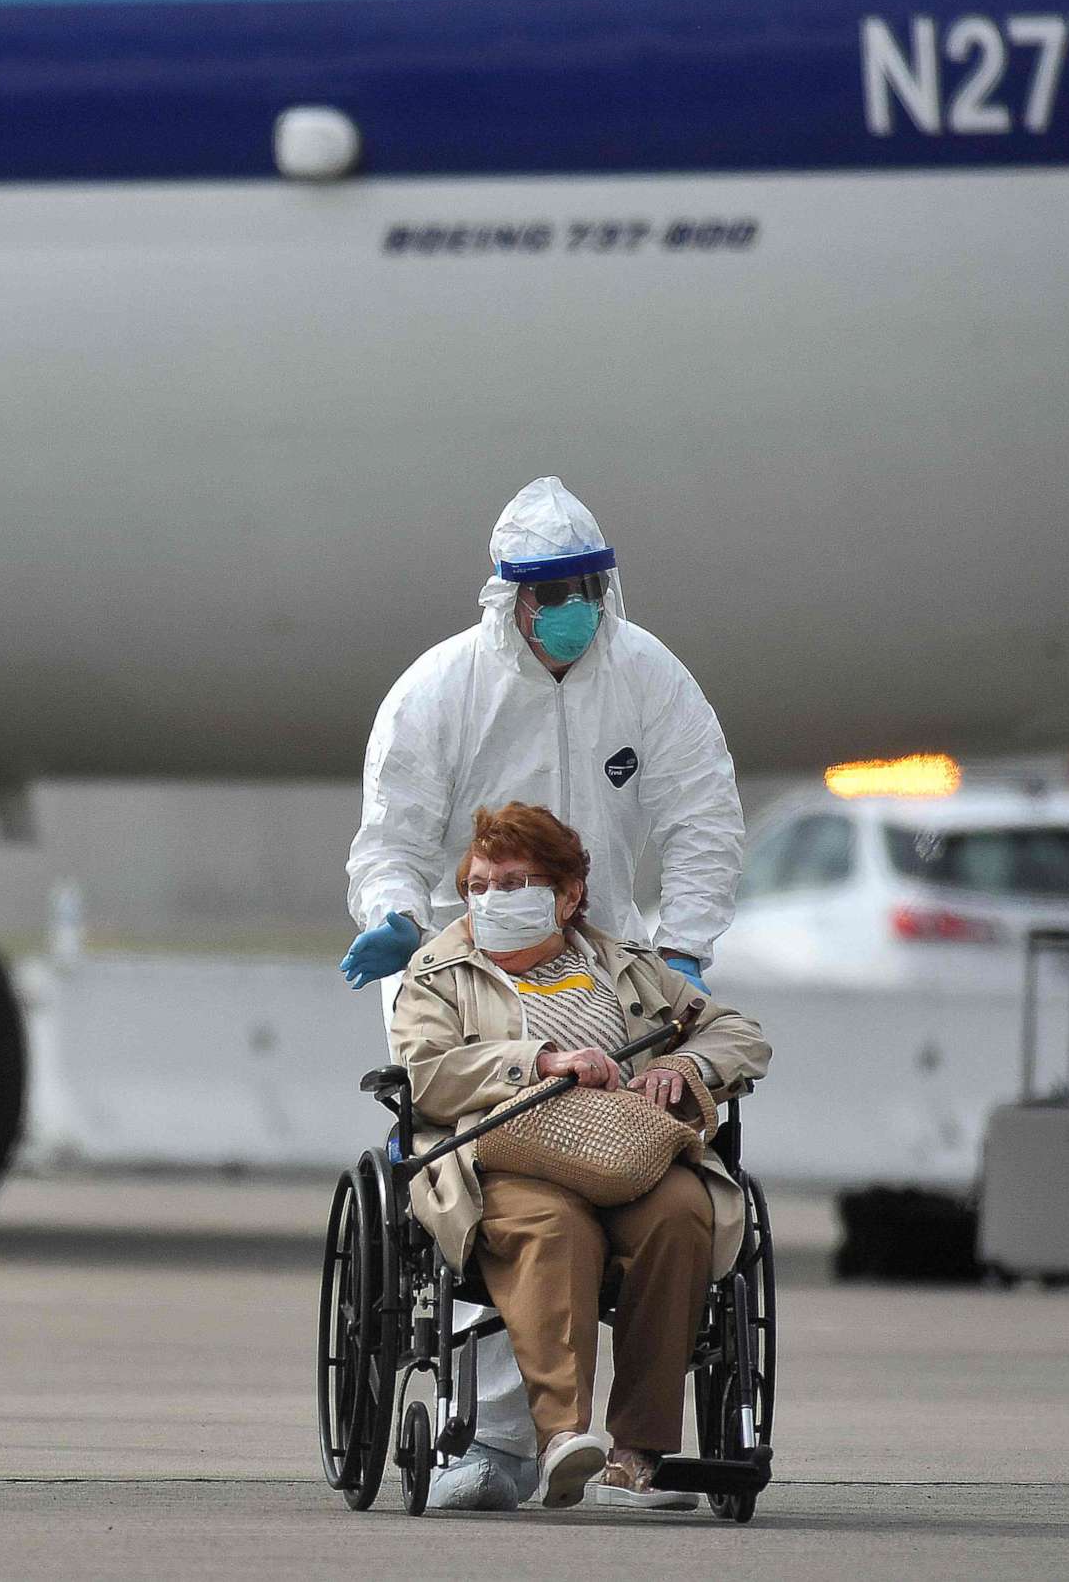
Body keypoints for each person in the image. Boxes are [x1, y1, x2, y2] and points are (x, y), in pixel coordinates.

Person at [340, 475, 745, 1510]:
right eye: (543, 590)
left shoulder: (647, 677)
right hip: (468, 967)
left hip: (606, 968)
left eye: (580, 587)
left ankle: (632, 1448)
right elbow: (393, 830)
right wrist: (395, 916)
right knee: (509, 1195)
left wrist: (686, 951)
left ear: (604, 587)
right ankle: (500, 1441)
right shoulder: (442, 690)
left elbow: (702, 813)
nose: (565, 606)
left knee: (661, 1201)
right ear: (506, 599)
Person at [388, 803, 769, 1511]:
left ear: (567, 896)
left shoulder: (626, 968)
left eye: (515, 882)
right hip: (509, 1157)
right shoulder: (438, 973)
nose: (492, 898)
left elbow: (739, 1036)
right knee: (556, 1229)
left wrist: (683, 1069)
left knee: (684, 1213)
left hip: (629, 1156)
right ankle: (564, 1435)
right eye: (479, 885)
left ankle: (638, 1456)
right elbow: (425, 1075)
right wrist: (539, 1060)